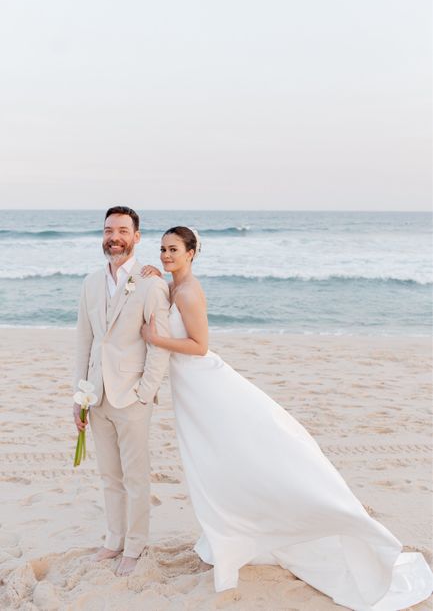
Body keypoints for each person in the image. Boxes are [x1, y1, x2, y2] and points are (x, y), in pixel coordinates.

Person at [140, 226, 433, 610]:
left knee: (242, 455)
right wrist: (151, 275)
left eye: (173, 249)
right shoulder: (174, 286)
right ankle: (234, 532)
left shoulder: (191, 291)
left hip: (207, 386)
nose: (166, 255)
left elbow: (199, 346)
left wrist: (155, 338)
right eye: (162, 249)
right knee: (215, 466)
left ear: (192, 252)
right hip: (191, 393)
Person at [74, 206, 170, 576]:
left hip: (132, 396)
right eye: (108, 229)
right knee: (109, 475)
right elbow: (84, 342)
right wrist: (79, 396)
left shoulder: (151, 283)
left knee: (135, 476)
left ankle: (135, 544)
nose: (114, 236)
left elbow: (157, 345)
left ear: (136, 237)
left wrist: (145, 392)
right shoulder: (89, 283)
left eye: (122, 230)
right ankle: (114, 540)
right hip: (96, 395)